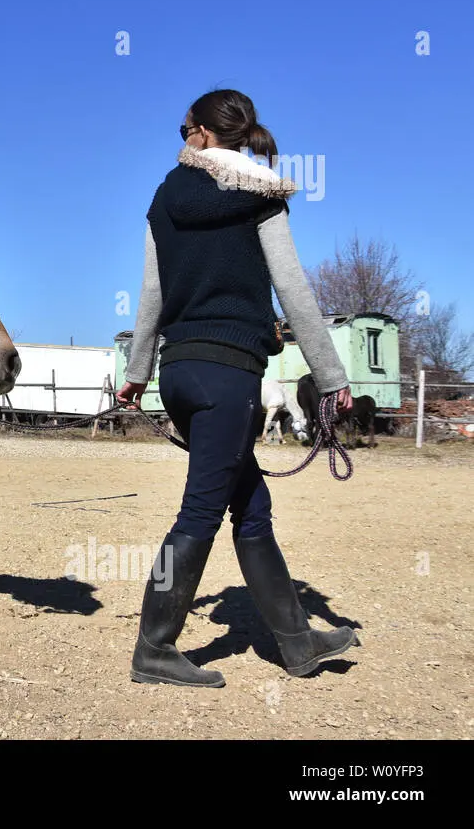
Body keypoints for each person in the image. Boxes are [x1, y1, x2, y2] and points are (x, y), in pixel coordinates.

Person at [117, 89, 359, 688]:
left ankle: (299, 643)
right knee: (201, 509)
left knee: (251, 507)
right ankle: (154, 649)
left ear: (199, 132)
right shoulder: (262, 194)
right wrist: (330, 376)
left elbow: (151, 293)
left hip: (180, 372)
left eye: (182, 127)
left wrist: (138, 370)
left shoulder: (164, 197)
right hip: (229, 373)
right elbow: (294, 289)